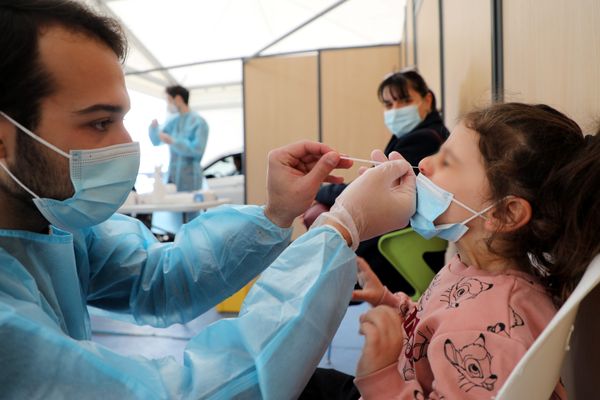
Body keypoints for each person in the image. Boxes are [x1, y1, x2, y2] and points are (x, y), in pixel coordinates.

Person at [0, 1, 419, 398]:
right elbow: (196, 392)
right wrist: (342, 227)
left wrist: (278, 212)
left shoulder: (56, 226)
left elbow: (159, 278)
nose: (126, 145)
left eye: (121, 120)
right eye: (98, 122)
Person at [307, 103, 600, 399]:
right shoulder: (470, 269)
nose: (423, 163)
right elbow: (433, 323)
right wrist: (391, 303)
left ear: (505, 213)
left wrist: (381, 373)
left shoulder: (483, 332)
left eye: (448, 162)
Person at [307, 70, 450, 294]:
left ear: (427, 99)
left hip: (402, 247)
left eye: (405, 101)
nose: (395, 111)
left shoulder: (424, 139)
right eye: (388, 104)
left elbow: (374, 188)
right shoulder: (416, 134)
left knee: (321, 257)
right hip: (402, 234)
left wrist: (318, 191)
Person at [149, 85, 209, 193]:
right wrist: (153, 129)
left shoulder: (199, 122)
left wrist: (173, 141)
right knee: (173, 207)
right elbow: (156, 141)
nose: (168, 105)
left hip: (191, 179)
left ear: (178, 99)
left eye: (169, 100)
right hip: (172, 177)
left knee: (190, 208)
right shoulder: (173, 121)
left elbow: (197, 150)